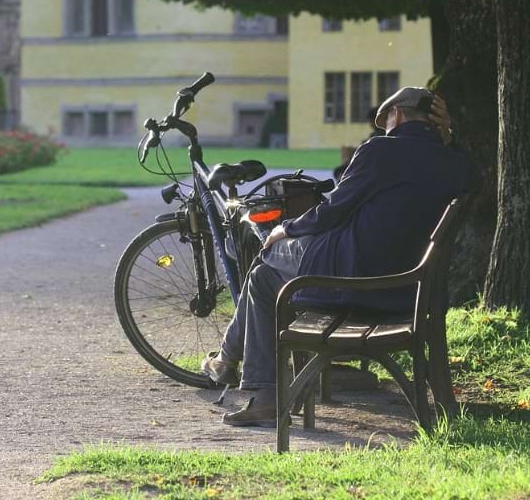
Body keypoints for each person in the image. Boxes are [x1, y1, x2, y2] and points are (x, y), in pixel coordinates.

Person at [201, 87, 469, 427]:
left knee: (266, 257)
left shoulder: (381, 150)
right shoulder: (455, 162)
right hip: (412, 293)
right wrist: (450, 138)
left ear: (397, 115)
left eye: (385, 121)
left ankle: (251, 382)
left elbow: (334, 208)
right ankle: (233, 364)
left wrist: (287, 228)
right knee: (265, 277)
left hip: (354, 283)